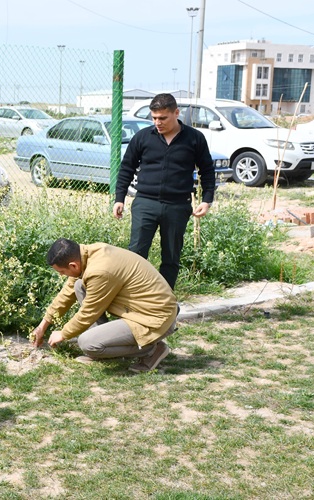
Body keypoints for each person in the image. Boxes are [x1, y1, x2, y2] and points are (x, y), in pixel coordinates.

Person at [113, 93, 215, 290]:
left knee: (171, 257)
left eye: (162, 118)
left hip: (178, 206)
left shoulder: (195, 138)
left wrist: (207, 199)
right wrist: (120, 199)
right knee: (135, 255)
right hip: (145, 203)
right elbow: (126, 168)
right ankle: (134, 298)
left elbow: (207, 170)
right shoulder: (142, 137)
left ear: (176, 113)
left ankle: (164, 302)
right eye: (154, 118)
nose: (157, 122)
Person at [31, 238, 178, 373]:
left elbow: (88, 313)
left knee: (87, 343)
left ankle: (151, 349)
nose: (62, 275)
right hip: (144, 310)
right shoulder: (89, 253)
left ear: (73, 265)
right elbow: (67, 293)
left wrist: (63, 334)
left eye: (62, 272)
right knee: (78, 286)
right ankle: (103, 345)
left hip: (154, 317)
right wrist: (42, 326)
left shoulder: (100, 271)